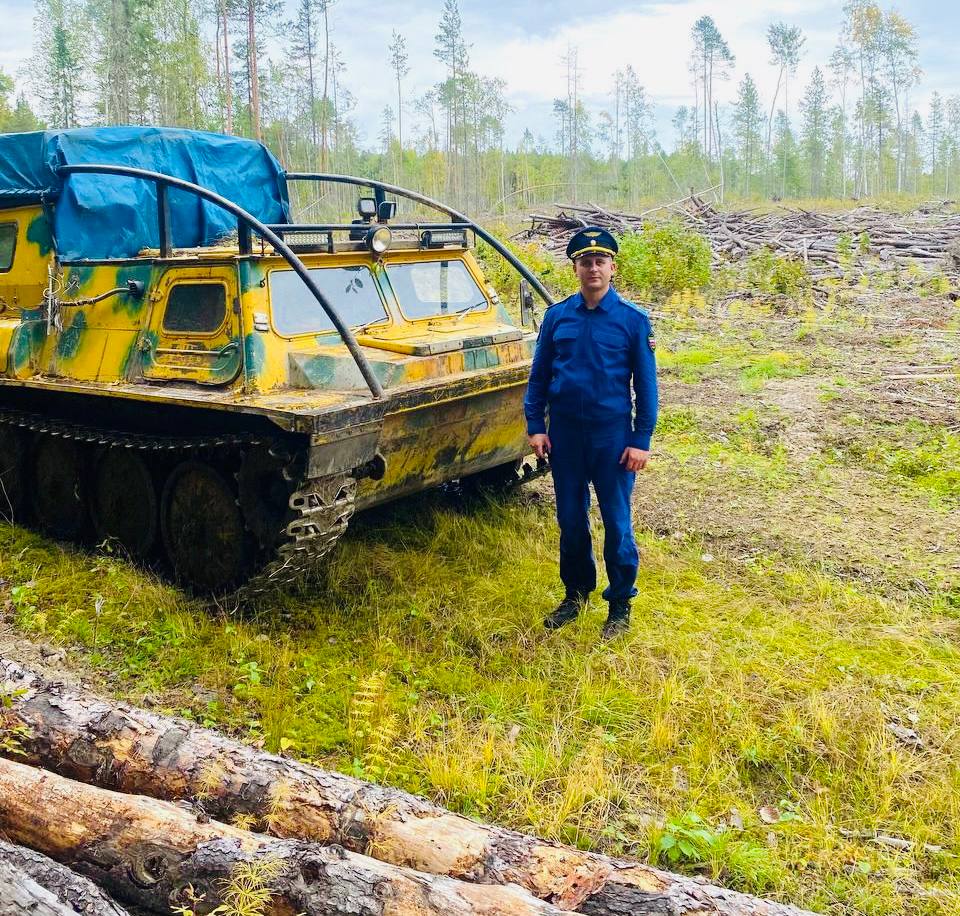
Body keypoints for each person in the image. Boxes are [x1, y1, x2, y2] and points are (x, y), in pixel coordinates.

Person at [524, 226, 658, 640]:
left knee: (617, 522)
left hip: (612, 438)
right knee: (570, 519)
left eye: (600, 261)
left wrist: (641, 439)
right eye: (585, 262)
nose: (593, 268)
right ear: (576, 268)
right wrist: (536, 427)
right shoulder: (557, 317)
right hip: (565, 437)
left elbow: (647, 386)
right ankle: (576, 593)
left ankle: (619, 603)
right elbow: (539, 377)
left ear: (612, 268)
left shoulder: (632, 321)